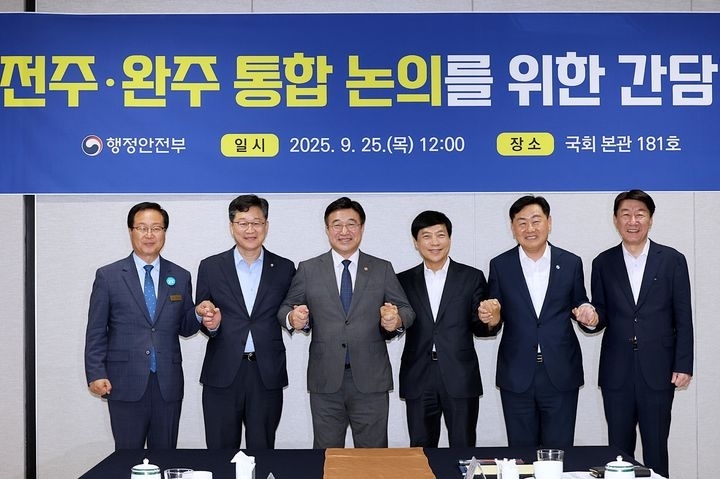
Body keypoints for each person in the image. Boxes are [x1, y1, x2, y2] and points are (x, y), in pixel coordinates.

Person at [278, 196, 415, 448]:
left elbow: (406, 309)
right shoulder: (309, 269)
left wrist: (395, 320)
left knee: (373, 456)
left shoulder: (381, 268)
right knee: (327, 455)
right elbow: (286, 308)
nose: (344, 231)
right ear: (327, 229)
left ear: (362, 228)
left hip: (371, 381)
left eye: (351, 224)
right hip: (325, 379)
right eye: (337, 225)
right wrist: (293, 318)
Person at [84, 201, 204, 449]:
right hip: (124, 381)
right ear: (131, 231)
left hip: (167, 384)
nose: (149, 235)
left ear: (164, 233)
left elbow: (185, 327)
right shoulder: (108, 276)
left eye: (156, 228)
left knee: (165, 456)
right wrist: (96, 373)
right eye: (142, 228)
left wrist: (199, 315)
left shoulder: (180, 276)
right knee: (127, 457)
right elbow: (96, 330)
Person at [590, 189, 693, 478]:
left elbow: (683, 316)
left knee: (656, 448)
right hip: (616, 371)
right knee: (618, 451)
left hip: (659, 369)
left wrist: (683, 364)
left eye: (639, 214)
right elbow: (601, 315)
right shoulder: (602, 262)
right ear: (615, 219)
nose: (632, 221)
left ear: (650, 219)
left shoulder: (672, 260)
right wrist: (590, 319)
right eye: (625, 214)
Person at [486, 195, 597, 448]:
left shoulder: (570, 262)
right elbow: (494, 313)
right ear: (513, 227)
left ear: (549, 222)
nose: (530, 228)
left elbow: (580, 302)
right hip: (517, 373)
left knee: (559, 452)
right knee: (521, 453)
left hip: (560, 372)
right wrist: (491, 319)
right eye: (522, 222)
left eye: (536, 221)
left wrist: (587, 312)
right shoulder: (500, 265)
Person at [195, 194, 295, 449]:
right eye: (243, 223)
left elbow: (290, 313)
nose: (250, 230)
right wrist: (211, 323)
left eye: (256, 222)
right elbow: (203, 314)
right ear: (232, 227)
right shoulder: (210, 267)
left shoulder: (284, 268)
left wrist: (299, 319)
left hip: (266, 372)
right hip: (222, 371)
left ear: (266, 226)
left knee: (262, 450)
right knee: (219, 452)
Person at [397, 210, 500, 447]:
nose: (434, 242)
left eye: (440, 235)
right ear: (416, 242)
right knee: (420, 451)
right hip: (418, 376)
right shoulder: (402, 281)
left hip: (460, 376)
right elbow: (394, 327)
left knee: (463, 448)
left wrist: (492, 319)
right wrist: (390, 322)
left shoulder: (471, 277)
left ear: (450, 238)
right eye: (426, 236)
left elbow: (481, 327)